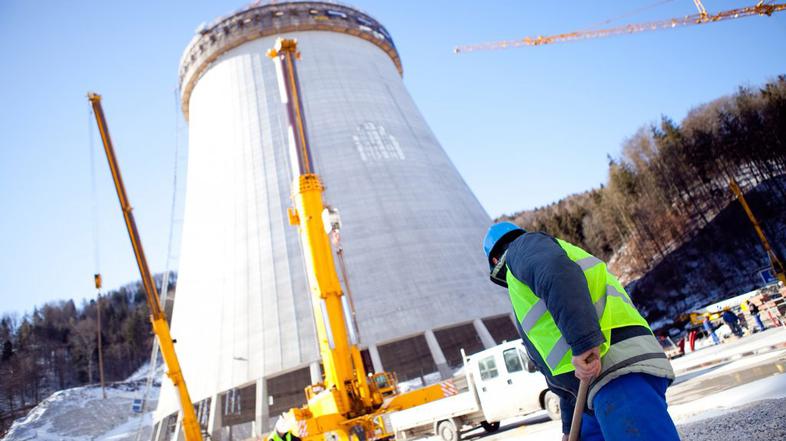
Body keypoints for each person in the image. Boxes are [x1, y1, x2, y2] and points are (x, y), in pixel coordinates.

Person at [482, 222, 679, 441]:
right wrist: (568, 429)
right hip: (590, 388)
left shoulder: (522, 248)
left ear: (493, 261)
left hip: (613, 367)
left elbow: (556, 271)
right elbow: (558, 369)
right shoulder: (524, 281)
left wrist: (583, 342)